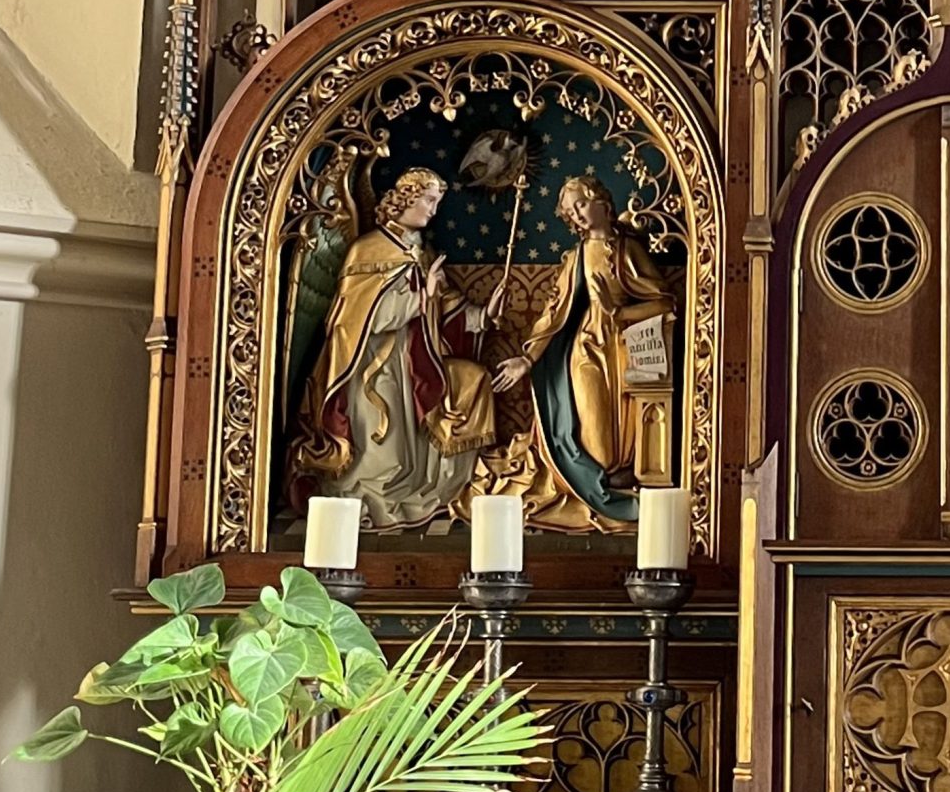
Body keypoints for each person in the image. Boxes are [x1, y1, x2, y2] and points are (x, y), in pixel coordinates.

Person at [287, 167, 502, 532]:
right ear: (407, 198)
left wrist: (483, 315)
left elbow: (446, 306)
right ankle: (367, 497)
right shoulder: (366, 250)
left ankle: (445, 486)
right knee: (386, 451)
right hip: (372, 365)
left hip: (415, 360)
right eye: (429, 201)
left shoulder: (420, 251)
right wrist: (421, 298)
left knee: (470, 382)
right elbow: (354, 318)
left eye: (437, 203)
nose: (433, 210)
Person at [483, 176, 676, 531]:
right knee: (597, 449)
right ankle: (595, 486)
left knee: (624, 444)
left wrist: (619, 312)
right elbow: (553, 313)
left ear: (602, 201)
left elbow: (664, 303)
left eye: (582, 204)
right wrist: (527, 359)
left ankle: (621, 479)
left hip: (626, 350)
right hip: (585, 350)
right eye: (571, 212)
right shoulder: (577, 258)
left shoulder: (628, 251)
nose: (578, 215)